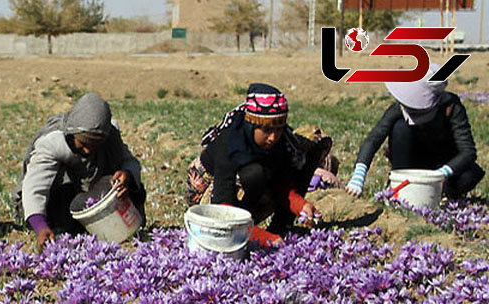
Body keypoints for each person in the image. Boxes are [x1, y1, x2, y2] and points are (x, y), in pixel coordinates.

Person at [14, 92, 145, 251]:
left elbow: (129, 162)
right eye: (83, 143)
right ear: (73, 133)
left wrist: (128, 175)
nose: (88, 149)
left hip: (94, 196)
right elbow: (35, 186)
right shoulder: (54, 142)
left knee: (133, 188)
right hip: (61, 196)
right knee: (61, 218)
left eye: (95, 144)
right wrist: (40, 226)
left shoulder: (110, 136)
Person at [186, 83, 320, 235]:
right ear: (251, 125)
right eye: (267, 130)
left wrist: (301, 206)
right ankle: (246, 226)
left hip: (245, 186)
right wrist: (263, 238)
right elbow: (222, 206)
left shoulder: (280, 142)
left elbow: (282, 185)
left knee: (265, 172)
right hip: (210, 191)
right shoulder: (230, 143)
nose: (273, 137)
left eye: (279, 129)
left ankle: (267, 225)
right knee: (255, 173)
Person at [345, 66, 483, 200]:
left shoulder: (451, 107)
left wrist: (441, 173)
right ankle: (399, 185)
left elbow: (468, 151)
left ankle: (443, 192)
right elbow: (373, 139)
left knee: (470, 175)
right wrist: (359, 173)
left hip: (443, 162)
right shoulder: (400, 107)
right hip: (411, 161)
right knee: (400, 128)